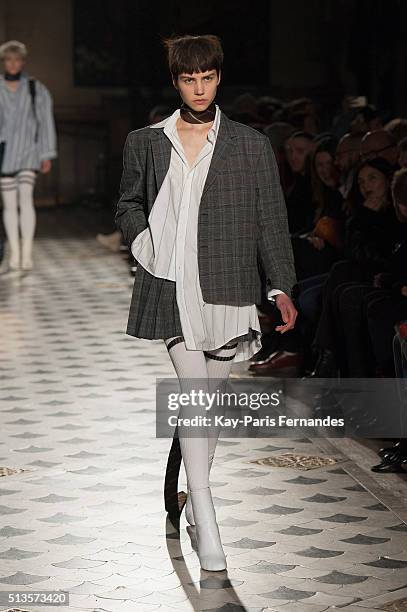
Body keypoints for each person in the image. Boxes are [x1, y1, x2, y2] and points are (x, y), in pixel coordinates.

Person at [115, 34, 297, 572]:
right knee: (194, 395)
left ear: (219, 78)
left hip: (228, 285)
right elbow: (127, 202)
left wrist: (281, 284)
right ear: (176, 82)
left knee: (208, 405)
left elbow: (271, 220)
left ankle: (194, 500)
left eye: (207, 77)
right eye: (188, 79)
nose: (198, 87)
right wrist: (143, 242)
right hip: (170, 284)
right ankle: (209, 516)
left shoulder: (249, 144)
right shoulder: (146, 141)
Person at [0, 40, 57, 271]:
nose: (13, 63)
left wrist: (47, 153)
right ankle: (14, 252)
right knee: (9, 204)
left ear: (22, 62)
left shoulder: (36, 88)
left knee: (25, 200)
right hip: (3, 153)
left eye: (17, 59)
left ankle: (26, 252)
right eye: (8, 59)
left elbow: (45, 122)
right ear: (4, 62)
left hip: (28, 152)